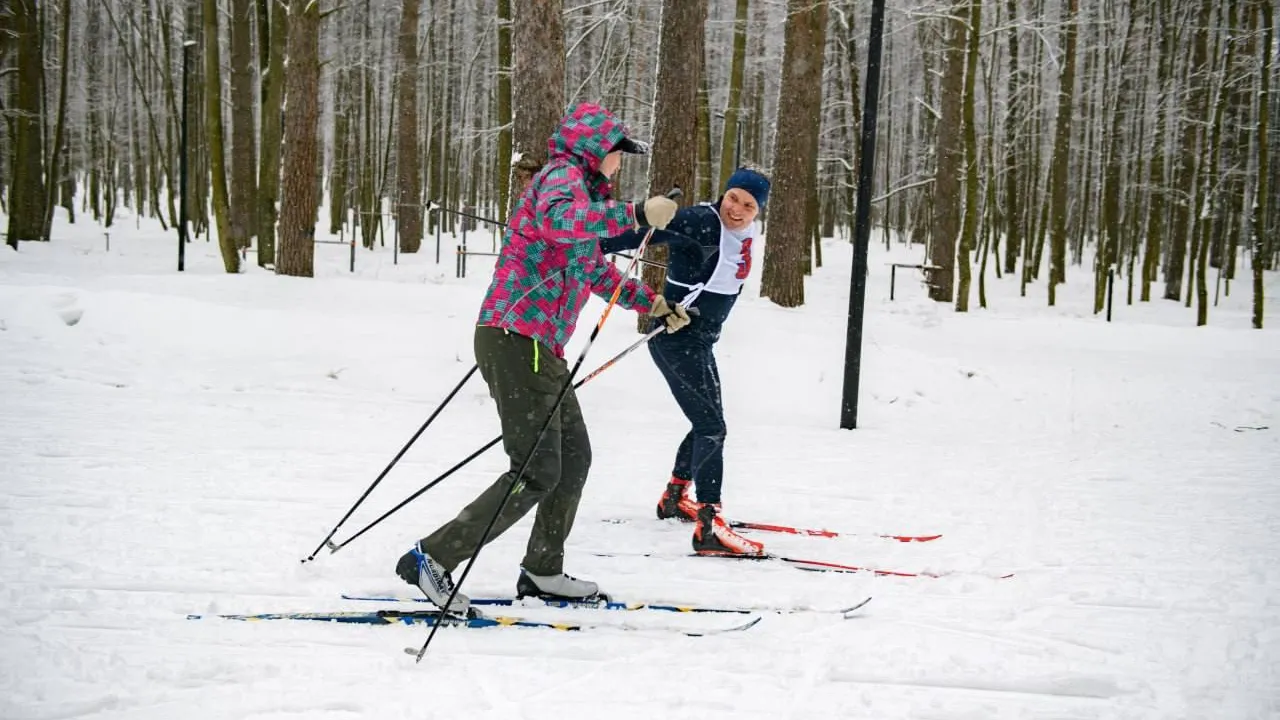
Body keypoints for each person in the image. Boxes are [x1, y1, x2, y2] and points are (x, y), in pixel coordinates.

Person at [396, 102, 691, 614]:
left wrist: (654, 304)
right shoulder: (561, 178)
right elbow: (559, 222)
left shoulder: (581, 195)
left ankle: (542, 570)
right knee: (536, 470)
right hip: (516, 338)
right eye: (619, 154)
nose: (621, 164)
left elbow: (593, 271)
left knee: (573, 458)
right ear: (597, 150)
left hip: (538, 348)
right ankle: (433, 558)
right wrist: (637, 214)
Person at [600, 167, 771, 558]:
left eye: (749, 205)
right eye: (733, 199)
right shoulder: (698, 221)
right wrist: (596, 241)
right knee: (712, 426)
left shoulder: (744, 233)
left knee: (708, 423)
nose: (738, 210)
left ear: (758, 211)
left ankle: (675, 497)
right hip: (675, 338)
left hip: (702, 341)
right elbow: (638, 234)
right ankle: (710, 522)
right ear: (723, 194)